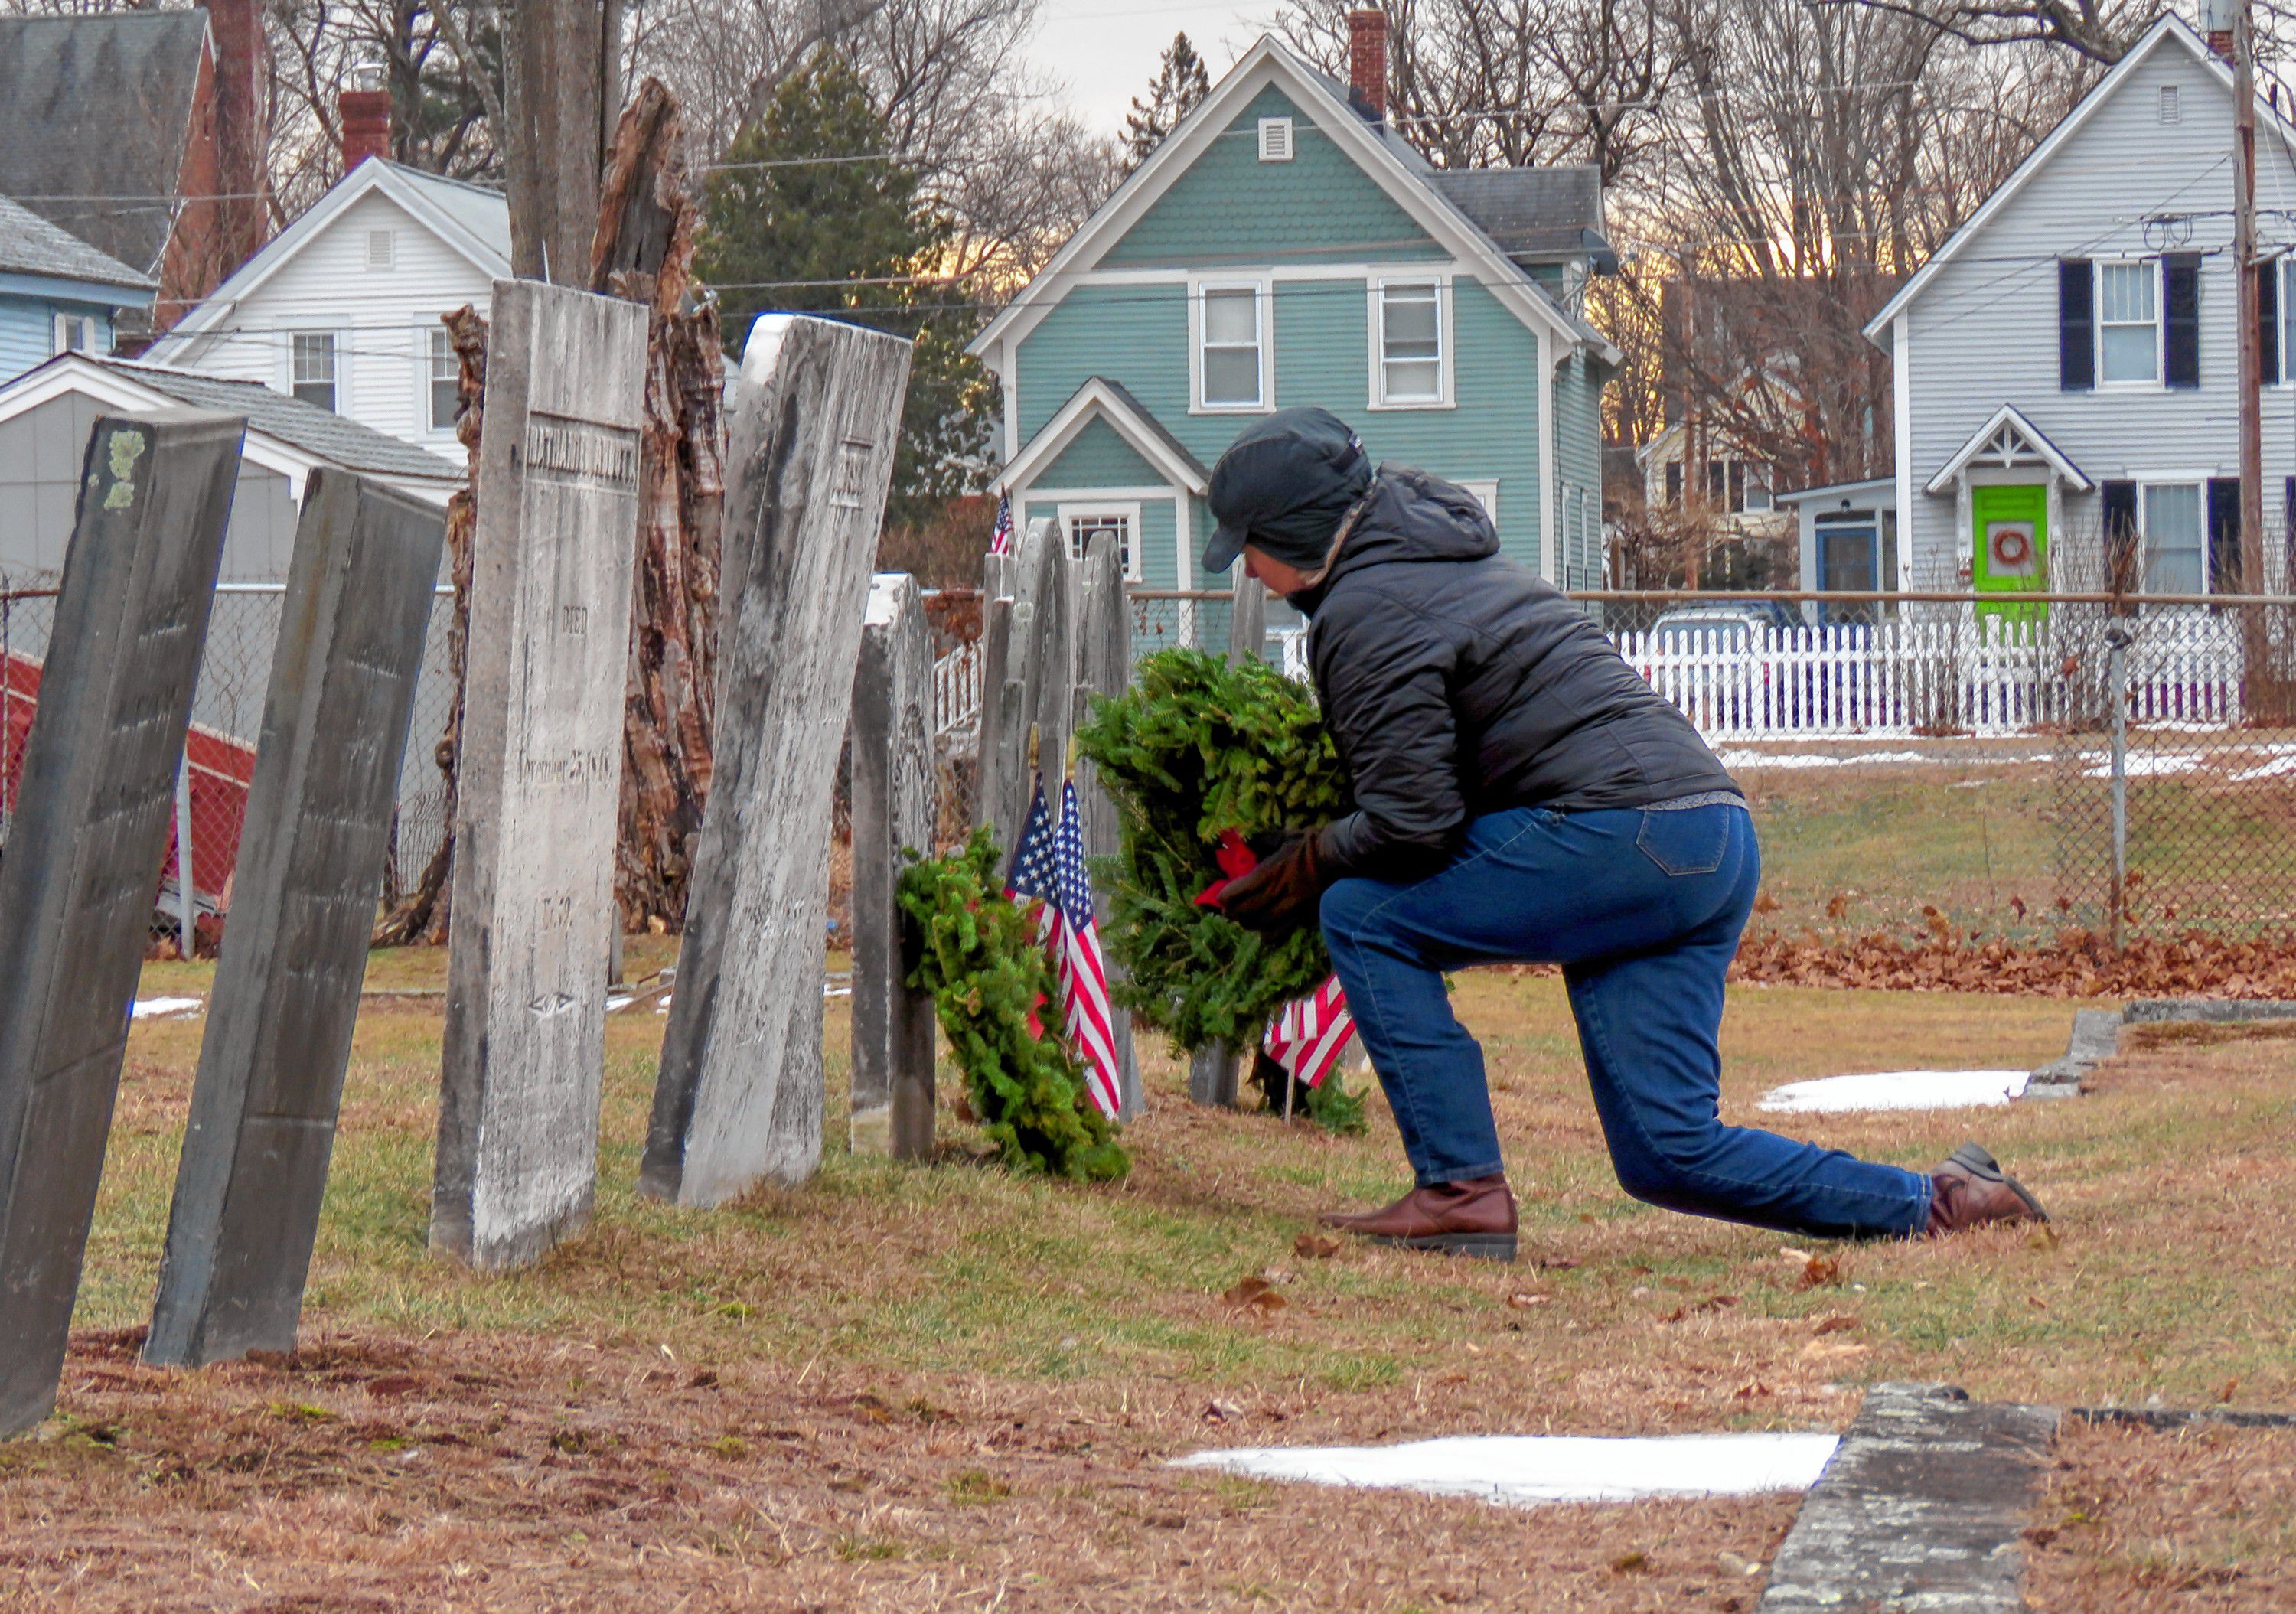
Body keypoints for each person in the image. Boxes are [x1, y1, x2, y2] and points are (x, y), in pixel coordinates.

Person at [1202, 407, 2047, 1263]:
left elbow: (1417, 823)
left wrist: (1311, 861)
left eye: (1247, 546)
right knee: (1666, 1152)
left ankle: (1460, 1190)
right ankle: (1941, 1205)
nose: (1248, 569)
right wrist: (1313, 842)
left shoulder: (1369, 609)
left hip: (1618, 834)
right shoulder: (1444, 562)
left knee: (1361, 914)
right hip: (1707, 835)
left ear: (1294, 532)